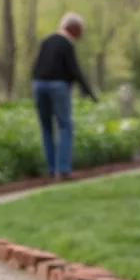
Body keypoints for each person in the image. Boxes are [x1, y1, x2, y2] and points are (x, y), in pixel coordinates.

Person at [31, 13, 97, 179]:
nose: (81, 35)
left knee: (46, 127)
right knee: (64, 126)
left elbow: (36, 66)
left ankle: (52, 170)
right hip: (58, 86)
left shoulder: (46, 41)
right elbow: (74, 70)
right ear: (74, 29)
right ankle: (64, 170)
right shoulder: (66, 44)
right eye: (80, 31)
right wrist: (88, 92)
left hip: (38, 85)